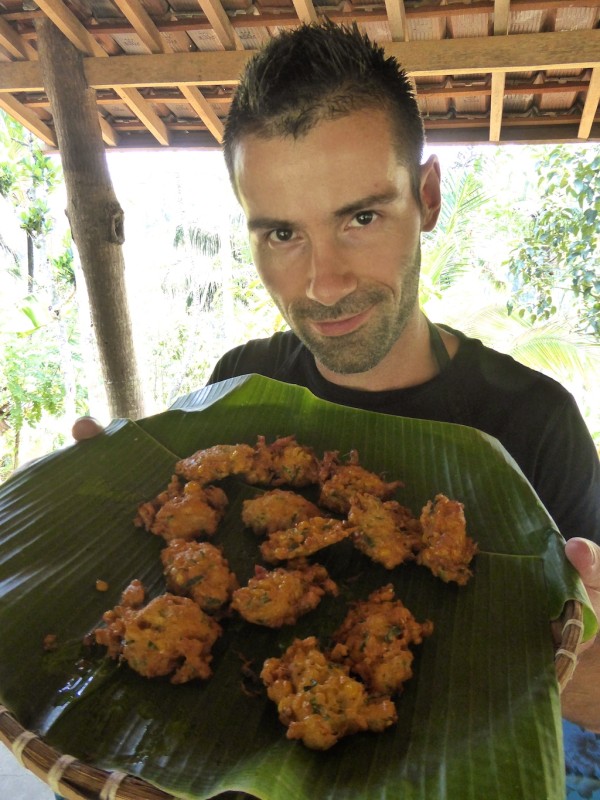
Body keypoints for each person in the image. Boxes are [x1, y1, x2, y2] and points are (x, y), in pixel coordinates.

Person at [73, 16, 599, 782]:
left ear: (425, 198)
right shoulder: (241, 385)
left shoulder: (536, 420)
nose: (323, 282)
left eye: (360, 217)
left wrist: (583, 644)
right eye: (282, 233)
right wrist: (101, 503)